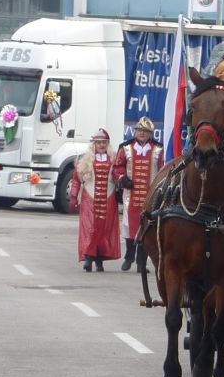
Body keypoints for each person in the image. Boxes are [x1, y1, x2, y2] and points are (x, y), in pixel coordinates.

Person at [112, 116, 164, 272]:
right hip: (131, 196)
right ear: (135, 131)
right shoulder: (125, 148)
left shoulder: (158, 149)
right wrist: (123, 179)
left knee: (147, 228)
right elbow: (117, 168)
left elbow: (162, 170)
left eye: (145, 131)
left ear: (150, 133)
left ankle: (142, 263)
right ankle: (129, 257)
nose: (141, 133)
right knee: (129, 226)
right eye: (139, 130)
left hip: (150, 197)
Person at [70, 128, 121, 272]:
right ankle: (88, 259)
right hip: (90, 199)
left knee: (105, 230)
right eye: (99, 143)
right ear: (94, 144)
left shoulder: (114, 159)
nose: (101, 145)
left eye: (104, 142)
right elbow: (76, 178)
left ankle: (99, 260)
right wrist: (73, 196)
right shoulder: (86, 160)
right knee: (90, 229)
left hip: (108, 199)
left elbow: (118, 175)